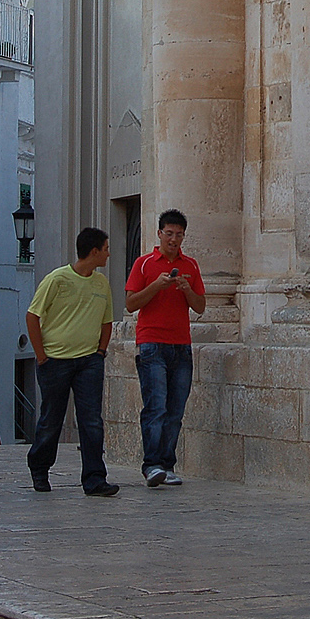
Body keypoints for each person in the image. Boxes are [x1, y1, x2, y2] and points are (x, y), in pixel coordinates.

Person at [26, 227, 119, 496]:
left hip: (89, 361)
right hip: (55, 361)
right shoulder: (57, 279)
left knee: (91, 420)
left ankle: (94, 479)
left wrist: (100, 352)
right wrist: (42, 356)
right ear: (94, 252)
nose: (108, 253)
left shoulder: (101, 283)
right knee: (51, 418)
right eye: (105, 248)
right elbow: (33, 316)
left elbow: (106, 321)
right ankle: (40, 469)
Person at [124, 208, 206, 487]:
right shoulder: (144, 264)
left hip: (181, 346)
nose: (173, 239)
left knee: (175, 410)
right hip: (151, 344)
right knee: (155, 406)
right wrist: (156, 287)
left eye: (179, 235)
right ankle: (152, 464)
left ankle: (167, 464)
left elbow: (201, 307)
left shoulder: (191, 265)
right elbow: (131, 303)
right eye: (169, 234)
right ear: (159, 234)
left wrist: (186, 289)